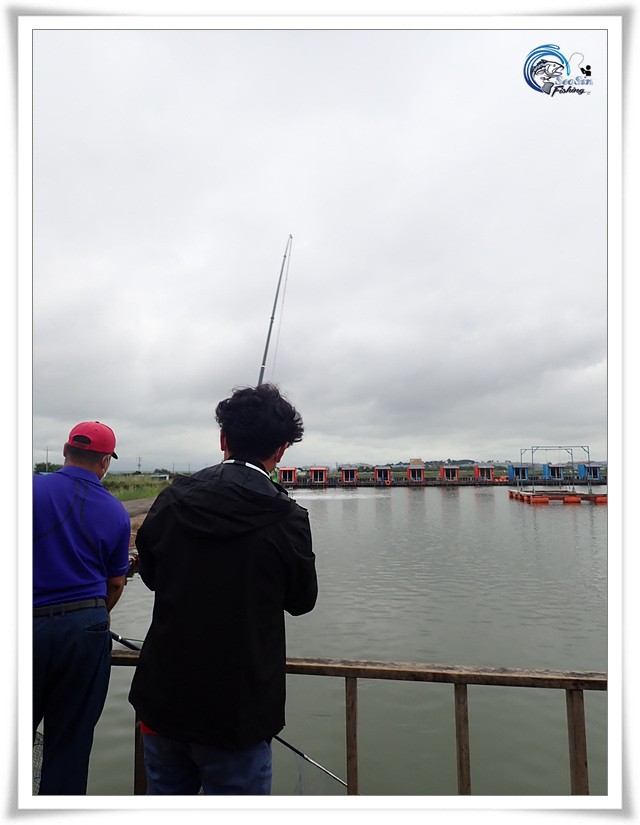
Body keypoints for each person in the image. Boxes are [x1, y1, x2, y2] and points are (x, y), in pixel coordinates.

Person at [128, 383, 318, 795]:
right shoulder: (287, 517)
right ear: (281, 450)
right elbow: (302, 601)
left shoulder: (173, 499)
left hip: (163, 702)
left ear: (223, 439)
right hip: (239, 714)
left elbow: (152, 574)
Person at [33, 421, 131, 795]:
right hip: (84, 628)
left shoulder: (26, 490)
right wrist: (95, 617)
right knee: (70, 746)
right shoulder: (115, 511)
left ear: (64, 451)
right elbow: (116, 583)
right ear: (105, 462)